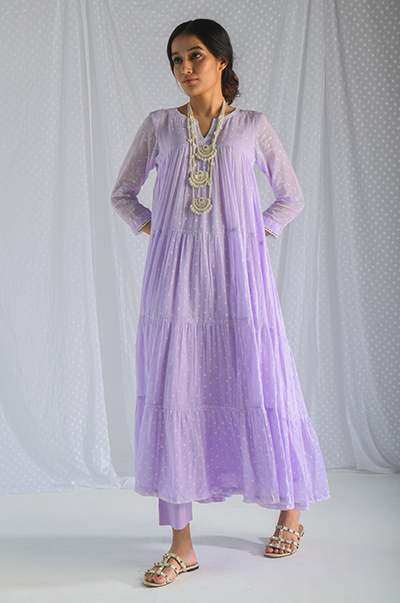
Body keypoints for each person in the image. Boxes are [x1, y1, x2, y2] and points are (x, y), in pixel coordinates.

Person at [111, 18, 330, 587]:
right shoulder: (160, 126)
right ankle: (181, 546)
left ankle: (291, 511)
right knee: (177, 393)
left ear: (221, 61)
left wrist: (252, 235)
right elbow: (123, 194)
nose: (185, 68)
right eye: (176, 60)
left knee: (263, 380)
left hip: (240, 278)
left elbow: (290, 197)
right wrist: (159, 232)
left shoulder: (252, 127)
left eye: (195, 56)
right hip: (174, 281)